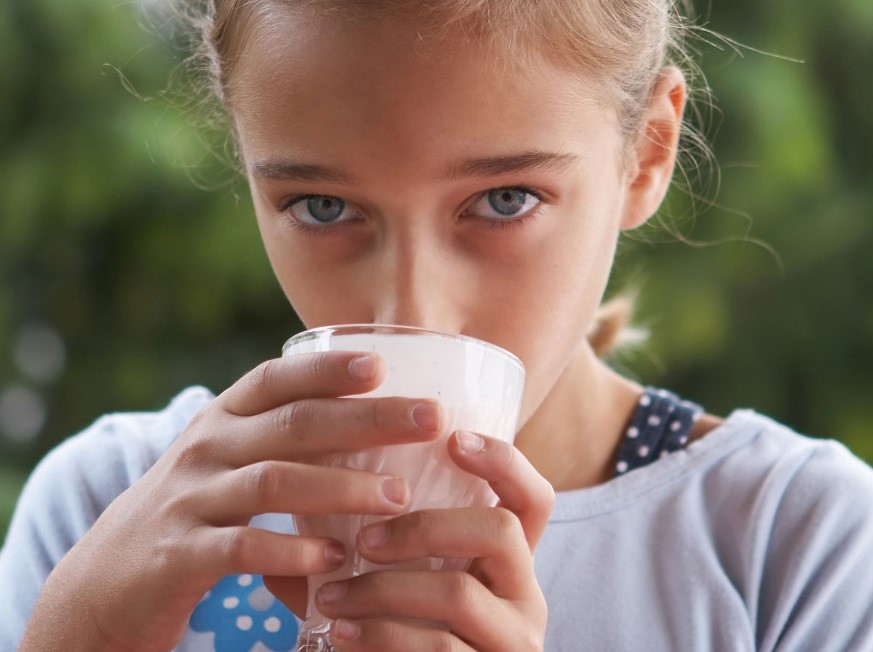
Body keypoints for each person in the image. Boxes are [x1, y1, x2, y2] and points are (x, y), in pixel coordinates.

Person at [2, 0, 872, 650]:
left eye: (505, 200)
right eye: (321, 205)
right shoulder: (109, 511)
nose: (410, 316)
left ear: (645, 153)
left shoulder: (796, 547)